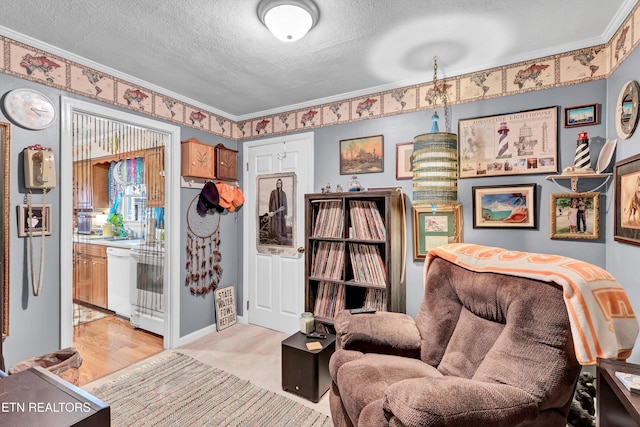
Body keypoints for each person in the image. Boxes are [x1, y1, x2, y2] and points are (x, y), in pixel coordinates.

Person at [268, 178, 288, 244]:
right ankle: (274, 236)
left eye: (279, 183)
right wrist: (270, 211)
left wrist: (285, 213)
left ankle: (281, 236)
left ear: (281, 184)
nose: (278, 184)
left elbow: (285, 204)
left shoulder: (284, 193)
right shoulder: (273, 192)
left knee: (281, 223)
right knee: (274, 224)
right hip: (274, 211)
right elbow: (270, 202)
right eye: (277, 183)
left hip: (281, 212)